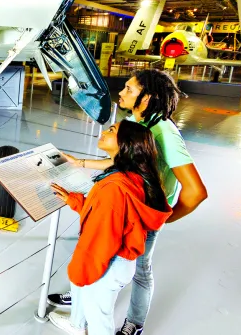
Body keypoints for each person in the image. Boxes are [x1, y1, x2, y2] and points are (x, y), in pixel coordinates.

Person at [48, 69, 208, 335]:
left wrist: (156, 218)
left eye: (130, 90)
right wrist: (81, 163)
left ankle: (133, 323)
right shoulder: (136, 122)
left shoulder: (164, 132)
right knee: (103, 256)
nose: (121, 93)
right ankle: (83, 296)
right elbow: (125, 158)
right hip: (128, 208)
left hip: (142, 214)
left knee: (139, 269)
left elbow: (195, 192)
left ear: (149, 98)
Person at [48, 120, 172, 335]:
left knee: (99, 322)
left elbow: (102, 239)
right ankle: (78, 325)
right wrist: (74, 200)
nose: (104, 132)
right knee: (98, 313)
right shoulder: (131, 177)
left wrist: (80, 273)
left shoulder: (115, 187)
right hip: (121, 263)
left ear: (126, 144)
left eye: (112, 130)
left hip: (108, 264)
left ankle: (80, 327)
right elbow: (109, 216)